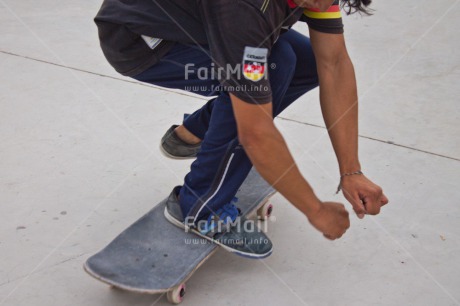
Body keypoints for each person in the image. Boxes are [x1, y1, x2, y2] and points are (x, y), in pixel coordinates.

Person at [94, 0, 389, 259]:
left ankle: (197, 130)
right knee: (275, 66)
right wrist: (316, 211)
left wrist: (351, 171)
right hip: (143, 38)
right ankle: (202, 207)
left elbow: (334, 65)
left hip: (194, 18)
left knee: (307, 62)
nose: (326, 7)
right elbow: (256, 134)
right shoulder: (244, 10)